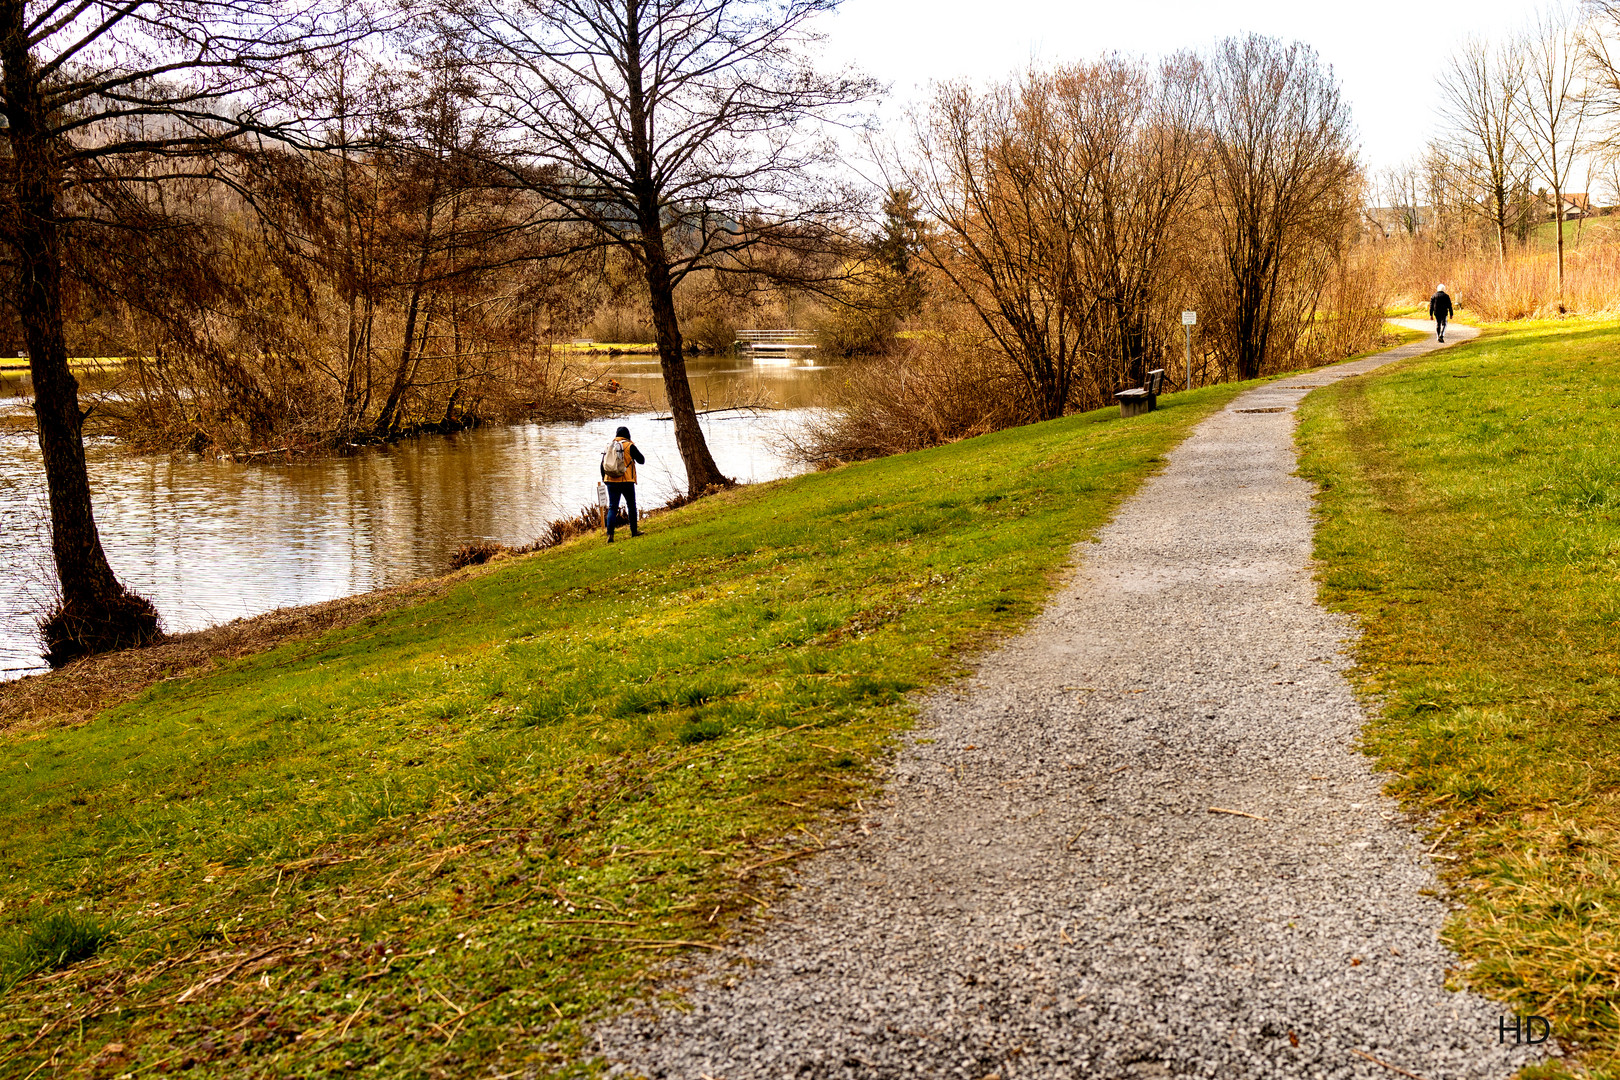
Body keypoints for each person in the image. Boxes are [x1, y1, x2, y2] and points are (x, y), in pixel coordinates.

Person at [600, 425, 645, 542]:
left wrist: (604, 479)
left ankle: (610, 534)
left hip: (610, 480)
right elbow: (642, 460)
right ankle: (634, 531)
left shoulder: (609, 446)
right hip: (626, 481)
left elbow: (602, 465)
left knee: (612, 507)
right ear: (627, 435)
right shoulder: (629, 446)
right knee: (631, 505)